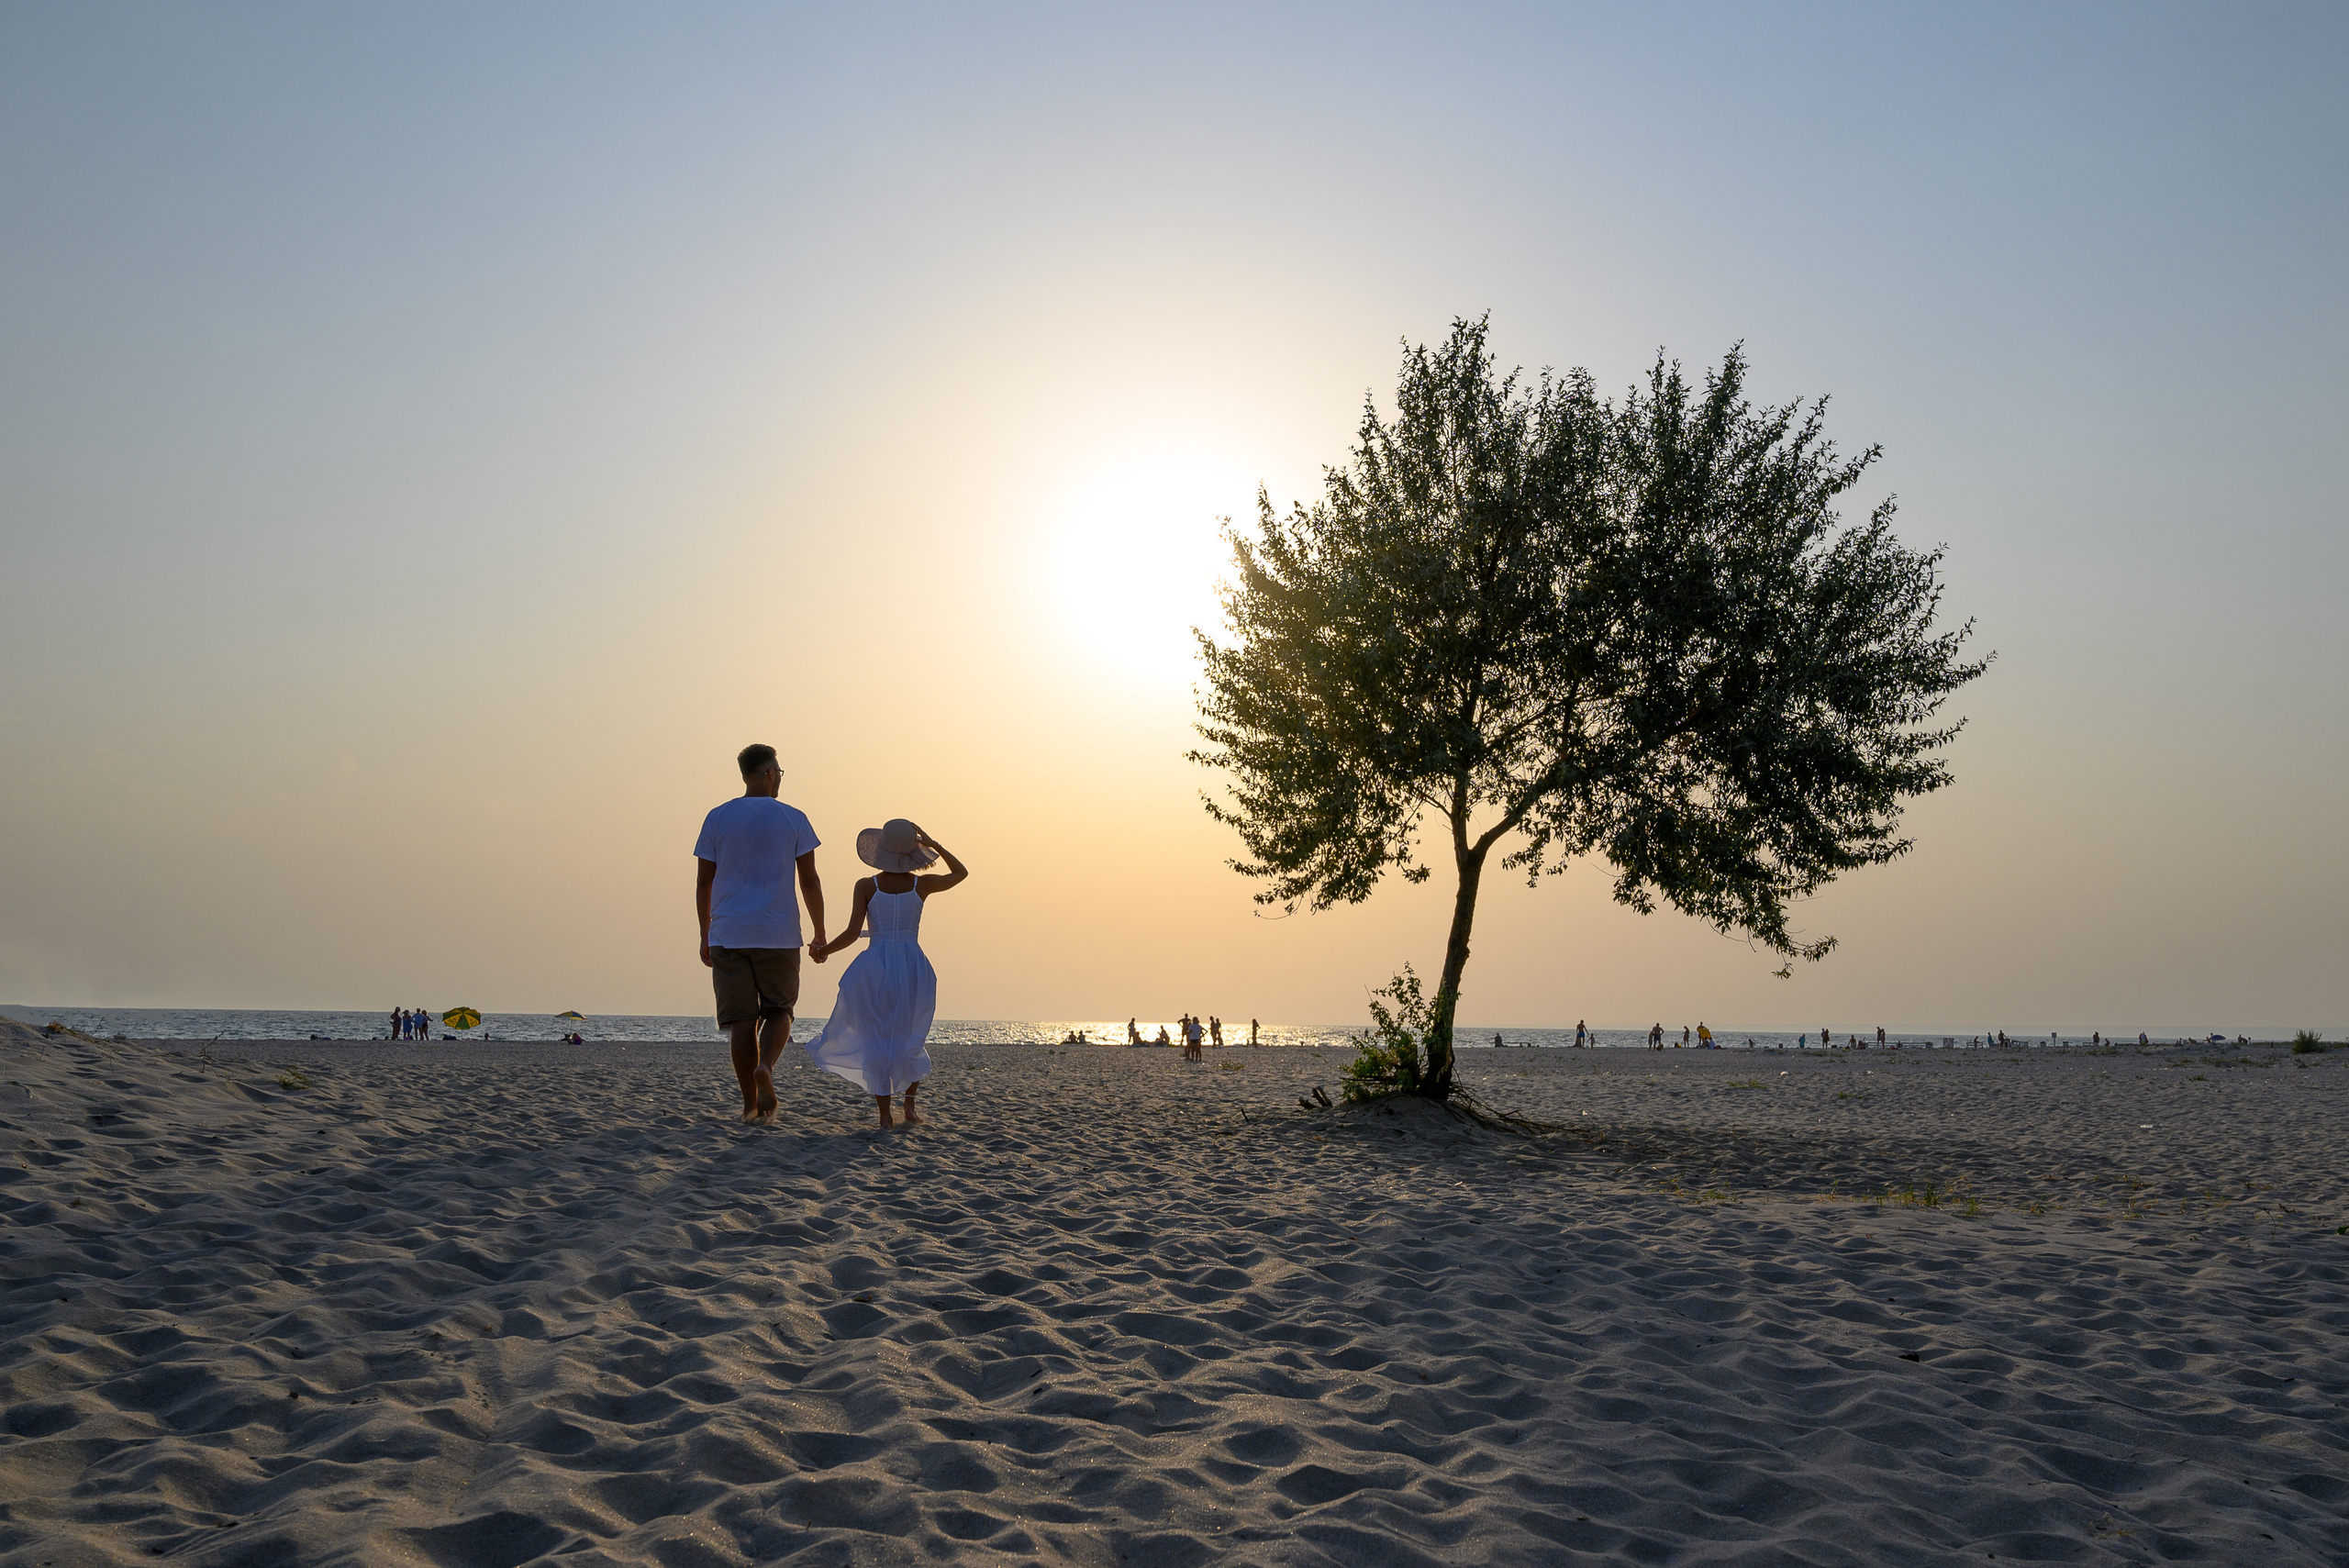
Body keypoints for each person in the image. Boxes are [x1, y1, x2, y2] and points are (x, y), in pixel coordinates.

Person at [695, 743, 826, 1124]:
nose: (780, 779)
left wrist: (705, 932)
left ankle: (749, 1105)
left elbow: (704, 881)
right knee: (779, 1010)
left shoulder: (717, 817)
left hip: (728, 932)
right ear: (769, 773)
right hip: (778, 932)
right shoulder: (794, 818)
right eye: (780, 772)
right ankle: (765, 1066)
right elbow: (810, 880)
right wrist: (819, 931)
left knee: (740, 1021)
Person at [805, 820, 965, 1129]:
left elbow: (852, 933)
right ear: (912, 853)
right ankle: (909, 1105)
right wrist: (936, 845)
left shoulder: (867, 885)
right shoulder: (923, 884)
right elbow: (961, 873)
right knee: (910, 1038)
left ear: (881, 851)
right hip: (911, 965)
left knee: (878, 1037)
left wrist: (825, 950)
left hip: (875, 967)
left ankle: (884, 1116)